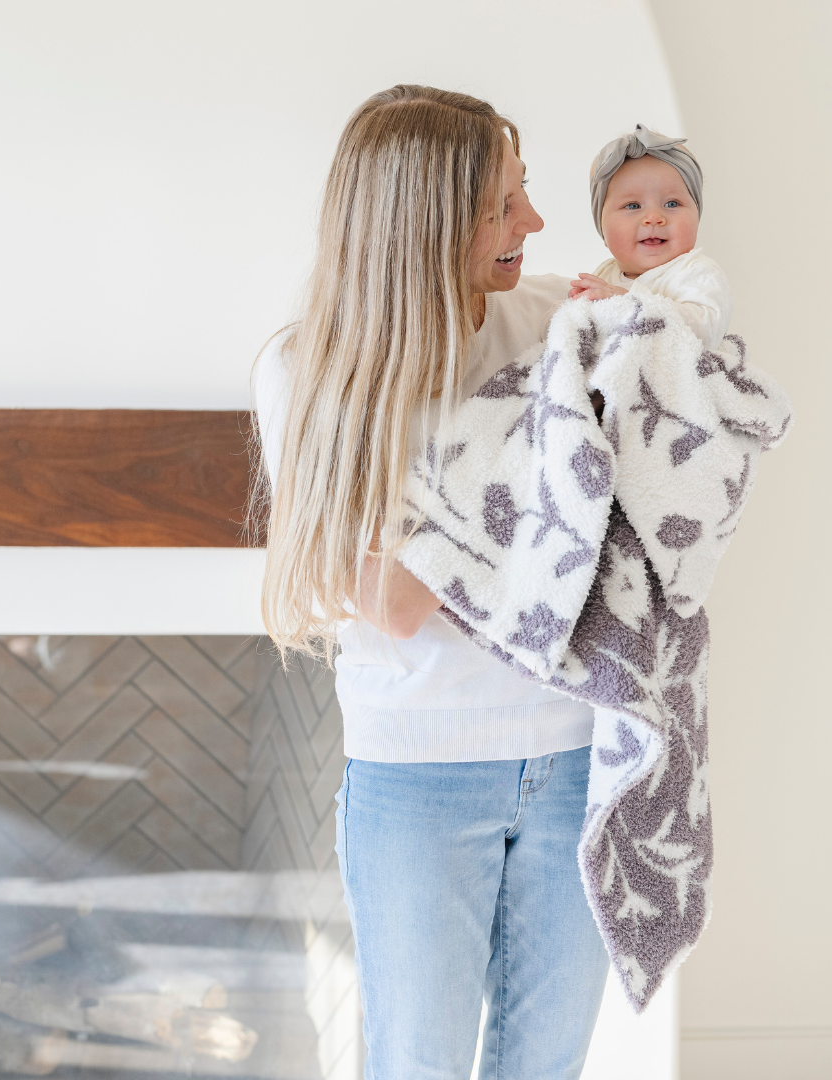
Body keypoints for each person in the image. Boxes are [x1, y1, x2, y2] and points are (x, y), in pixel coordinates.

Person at [252, 86, 609, 1080]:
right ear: (426, 223)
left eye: (524, 192)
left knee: (547, 1068)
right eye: (504, 206)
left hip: (581, 760)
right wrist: (546, 454)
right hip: (420, 776)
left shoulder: (550, 321)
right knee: (418, 1065)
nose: (533, 224)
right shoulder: (310, 375)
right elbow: (397, 606)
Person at [569, 124, 733, 351]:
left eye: (672, 203)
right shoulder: (605, 275)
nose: (654, 218)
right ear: (603, 228)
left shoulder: (697, 272)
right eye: (633, 205)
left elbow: (705, 333)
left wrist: (630, 303)